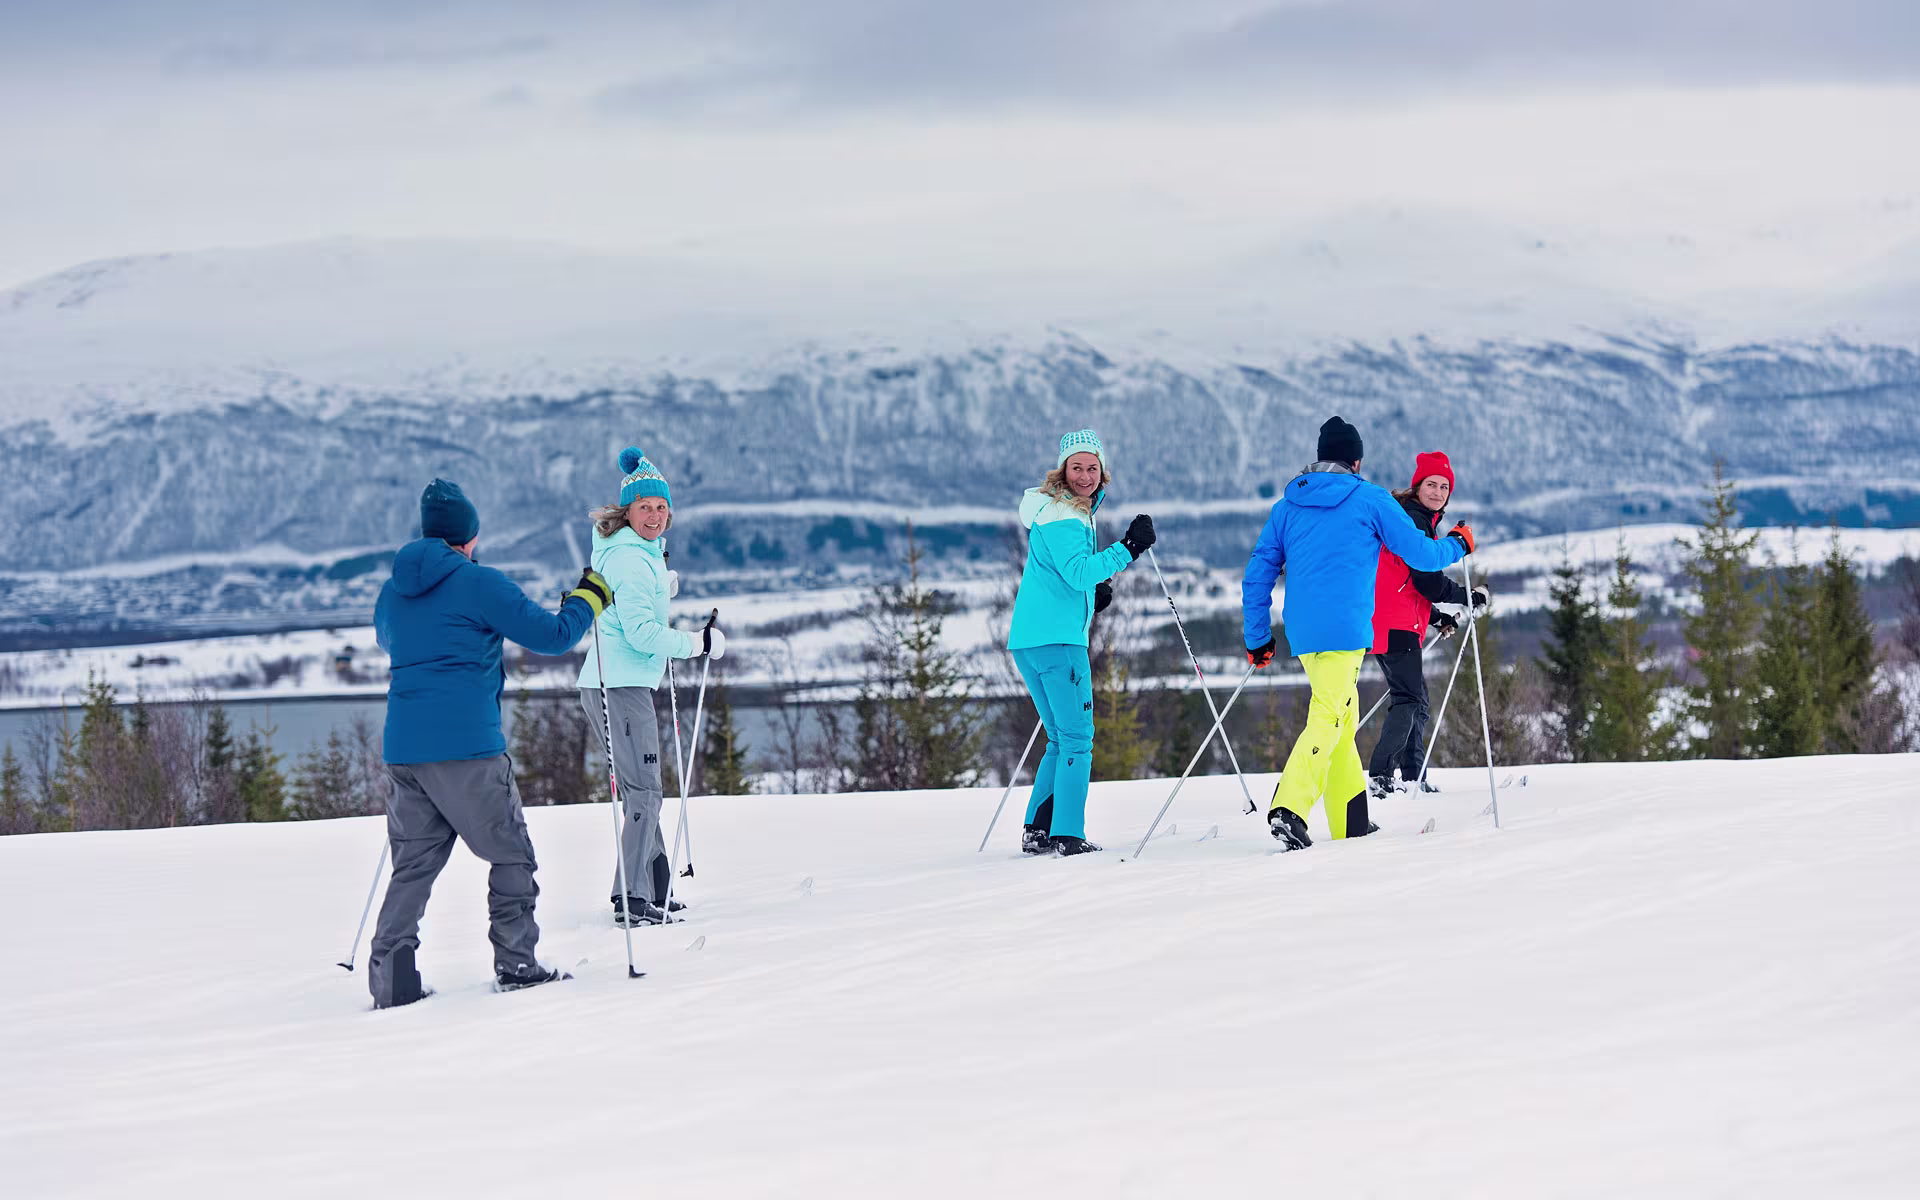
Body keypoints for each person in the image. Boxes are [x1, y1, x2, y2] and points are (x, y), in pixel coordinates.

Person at [369, 478, 613, 1007]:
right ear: (468, 537)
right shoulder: (479, 584)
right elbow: (553, 636)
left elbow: (389, 640)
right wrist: (589, 597)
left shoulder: (392, 591)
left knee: (413, 866)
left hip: (404, 750)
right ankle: (517, 965)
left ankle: (391, 979)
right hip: (467, 748)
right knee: (511, 855)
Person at [1241, 416, 1477, 850]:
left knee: (1343, 715)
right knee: (1330, 715)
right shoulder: (1369, 499)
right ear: (1356, 459)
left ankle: (1352, 819)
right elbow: (1422, 554)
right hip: (1346, 627)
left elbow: (1257, 576)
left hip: (1304, 631)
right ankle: (1289, 807)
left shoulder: (1286, 507)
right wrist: (1459, 544)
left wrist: (1258, 636)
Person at [577, 447, 726, 928]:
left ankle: (654, 890)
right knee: (644, 793)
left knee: (644, 791)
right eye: (646, 508)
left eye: (662, 508)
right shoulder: (630, 560)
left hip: (617, 684)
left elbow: (633, 602)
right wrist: (697, 642)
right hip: (619, 686)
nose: (656, 516)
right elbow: (642, 633)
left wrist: (662, 583)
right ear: (628, 512)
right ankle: (632, 898)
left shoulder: (635, 555)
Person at [1007, 429, 1156, 855]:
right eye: (1077, 467)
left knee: (1058, 736)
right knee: (1077, 738)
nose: (1085, 476)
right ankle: (1068, 834)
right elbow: (1076, 572)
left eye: (1093, 468)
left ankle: (1038, 827)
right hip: (1058, 643)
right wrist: (1128, 548)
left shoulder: (1048, 511)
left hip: (1031, 640)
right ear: (1063, 470)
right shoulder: (1067, 515)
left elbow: (1062, 576)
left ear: (1102, 473)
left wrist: (1094, 594)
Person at [1366, 451, 1489, 796]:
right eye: (1431, 484)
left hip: (1392, 621)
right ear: (1417, 486)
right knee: (1409, 700)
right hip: (1395, 624)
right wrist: (1468, 596)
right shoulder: (1414, 521)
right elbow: (1427, 581)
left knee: (1415, 698)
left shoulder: (1418, 519)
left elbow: (1405, 581)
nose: (1437, 491)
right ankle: (1383, 777)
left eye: (1444, 486)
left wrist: (1436, 617)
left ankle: (1411, 776)